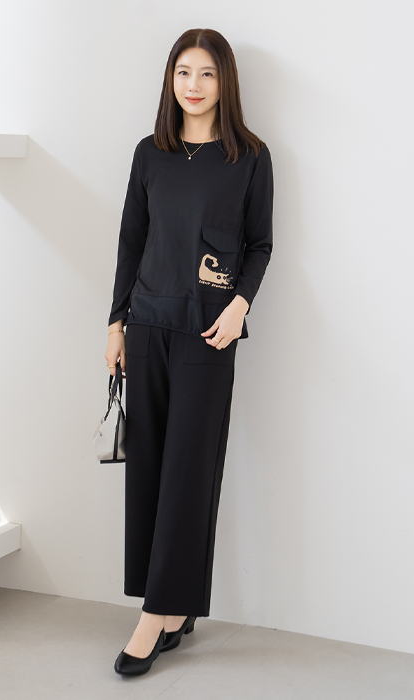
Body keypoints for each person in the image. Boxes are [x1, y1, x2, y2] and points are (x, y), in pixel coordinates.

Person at [106, 28, 274, 676]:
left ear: (225, 81)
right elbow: (131, 240)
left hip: (209, 333)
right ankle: (173, 608)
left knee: (189, 470)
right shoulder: (150, 153)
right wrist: (115, 324)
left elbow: (259, 244)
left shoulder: (249, 157)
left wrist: (239, 306)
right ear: (170, 80)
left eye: (207, 73)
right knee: (149, 467)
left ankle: (155, 615)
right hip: (147, 326)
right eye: (184, 72)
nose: (194, 85)